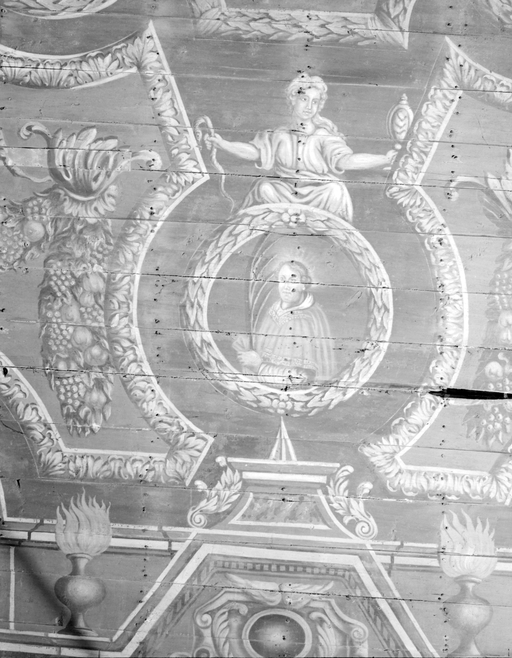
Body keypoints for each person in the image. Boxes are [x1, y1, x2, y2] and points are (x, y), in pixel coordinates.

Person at [205, 74, 397, 221]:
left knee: (335, 191)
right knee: (264, 188)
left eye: (315, 102)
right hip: (283, 192)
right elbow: (255, 152)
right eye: (304, 99)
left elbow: (346, 161)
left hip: (319, 193)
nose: (309, 106)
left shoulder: (323, 136)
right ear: (293, 99)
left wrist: (385, 159)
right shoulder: (279, 134)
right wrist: (223, 144)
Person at [233, 260, 335, 387]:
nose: (286, 286)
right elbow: (264, 348)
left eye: (293, 281)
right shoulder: (274, 310)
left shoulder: (305, 320)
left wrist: (259, 367)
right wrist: (248, 344)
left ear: (303, 285)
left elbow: (302, 380)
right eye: (282, 280)